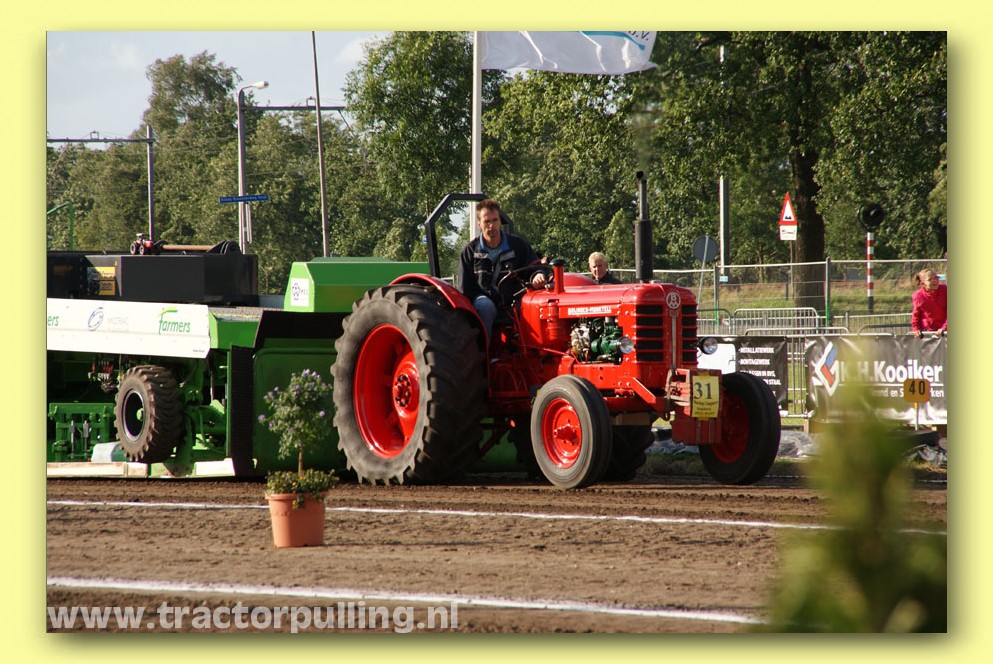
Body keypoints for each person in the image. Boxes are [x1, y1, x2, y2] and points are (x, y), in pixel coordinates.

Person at [458, 199, 546, 340]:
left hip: (513, 299)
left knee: (534, 305)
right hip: (484, 299)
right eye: (487, 221)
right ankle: (484, 351)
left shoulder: (518, 245)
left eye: (495, 220)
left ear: (500, 221)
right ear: (479, 224)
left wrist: (538, 275)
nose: (491, 225)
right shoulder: (470, 252)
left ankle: (533, 348)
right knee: (485, 307)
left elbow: (534, 265)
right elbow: (464, 290)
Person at [911, 268, 947, 337]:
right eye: (930, 279)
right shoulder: (918, 295)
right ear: (922, 283)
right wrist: (916, 329)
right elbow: (916, 315)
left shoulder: (945, 290)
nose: (935, 281)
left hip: (945, 332)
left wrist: (944, 328)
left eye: (936, 278)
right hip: (928, 333)